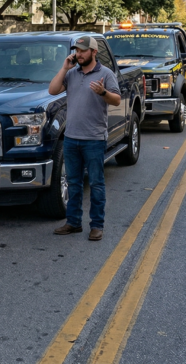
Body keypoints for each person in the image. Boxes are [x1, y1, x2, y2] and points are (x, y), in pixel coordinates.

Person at [48, 36, 120, 242]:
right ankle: (73, 222)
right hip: (71, 138)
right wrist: (64, 68)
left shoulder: (105, 74)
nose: (78, 54)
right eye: (76, 51)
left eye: (83, 51)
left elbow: (116, 100)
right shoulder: (71, 74)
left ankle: (97, 225)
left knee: (96, 184)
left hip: (94, 139)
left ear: (93, 52)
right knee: (73, 183)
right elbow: (52, 90)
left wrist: (103, 92)